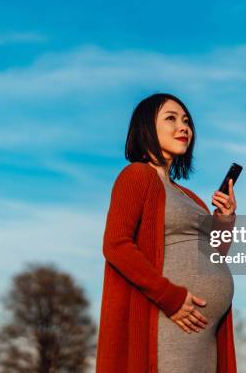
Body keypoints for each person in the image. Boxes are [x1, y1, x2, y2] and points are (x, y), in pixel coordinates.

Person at [96, 93, 238, 373]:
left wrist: (224, 218)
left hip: (203, 331)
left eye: (186, 121)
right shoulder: (137, 176)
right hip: (168, 319)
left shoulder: (187, 195)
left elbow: (211, 256)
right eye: (171, 118)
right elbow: (116, 245)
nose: (183, 127)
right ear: (147, 127)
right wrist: (170, 298)